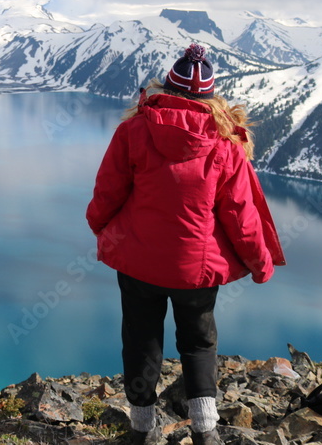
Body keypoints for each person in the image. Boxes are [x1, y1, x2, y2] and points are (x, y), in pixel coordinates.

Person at [86, 43, 285, 445]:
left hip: (138, 264)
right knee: (198, 343)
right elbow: (242, 216)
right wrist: (261, 264)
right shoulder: (226, 144)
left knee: (141, 339)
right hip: (195, 271)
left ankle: (141, 429)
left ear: (166, 88)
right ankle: (204, 431)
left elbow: (108, 191)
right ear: (211, 97)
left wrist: (100, 226)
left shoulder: (133, 132)